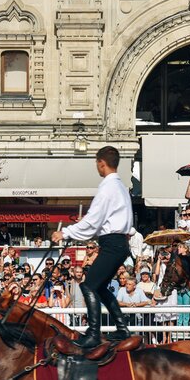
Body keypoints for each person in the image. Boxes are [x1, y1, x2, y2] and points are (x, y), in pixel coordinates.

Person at [52, 146, 133, 348]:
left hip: (112, 243)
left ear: (101, 163)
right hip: (119, 242)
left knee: (88, 285)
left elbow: (92, 222)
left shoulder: (107, 187)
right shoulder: (121, 187)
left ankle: (93, 333)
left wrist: (66, 232)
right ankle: (122, 329)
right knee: (100, 286)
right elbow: (98, 220)